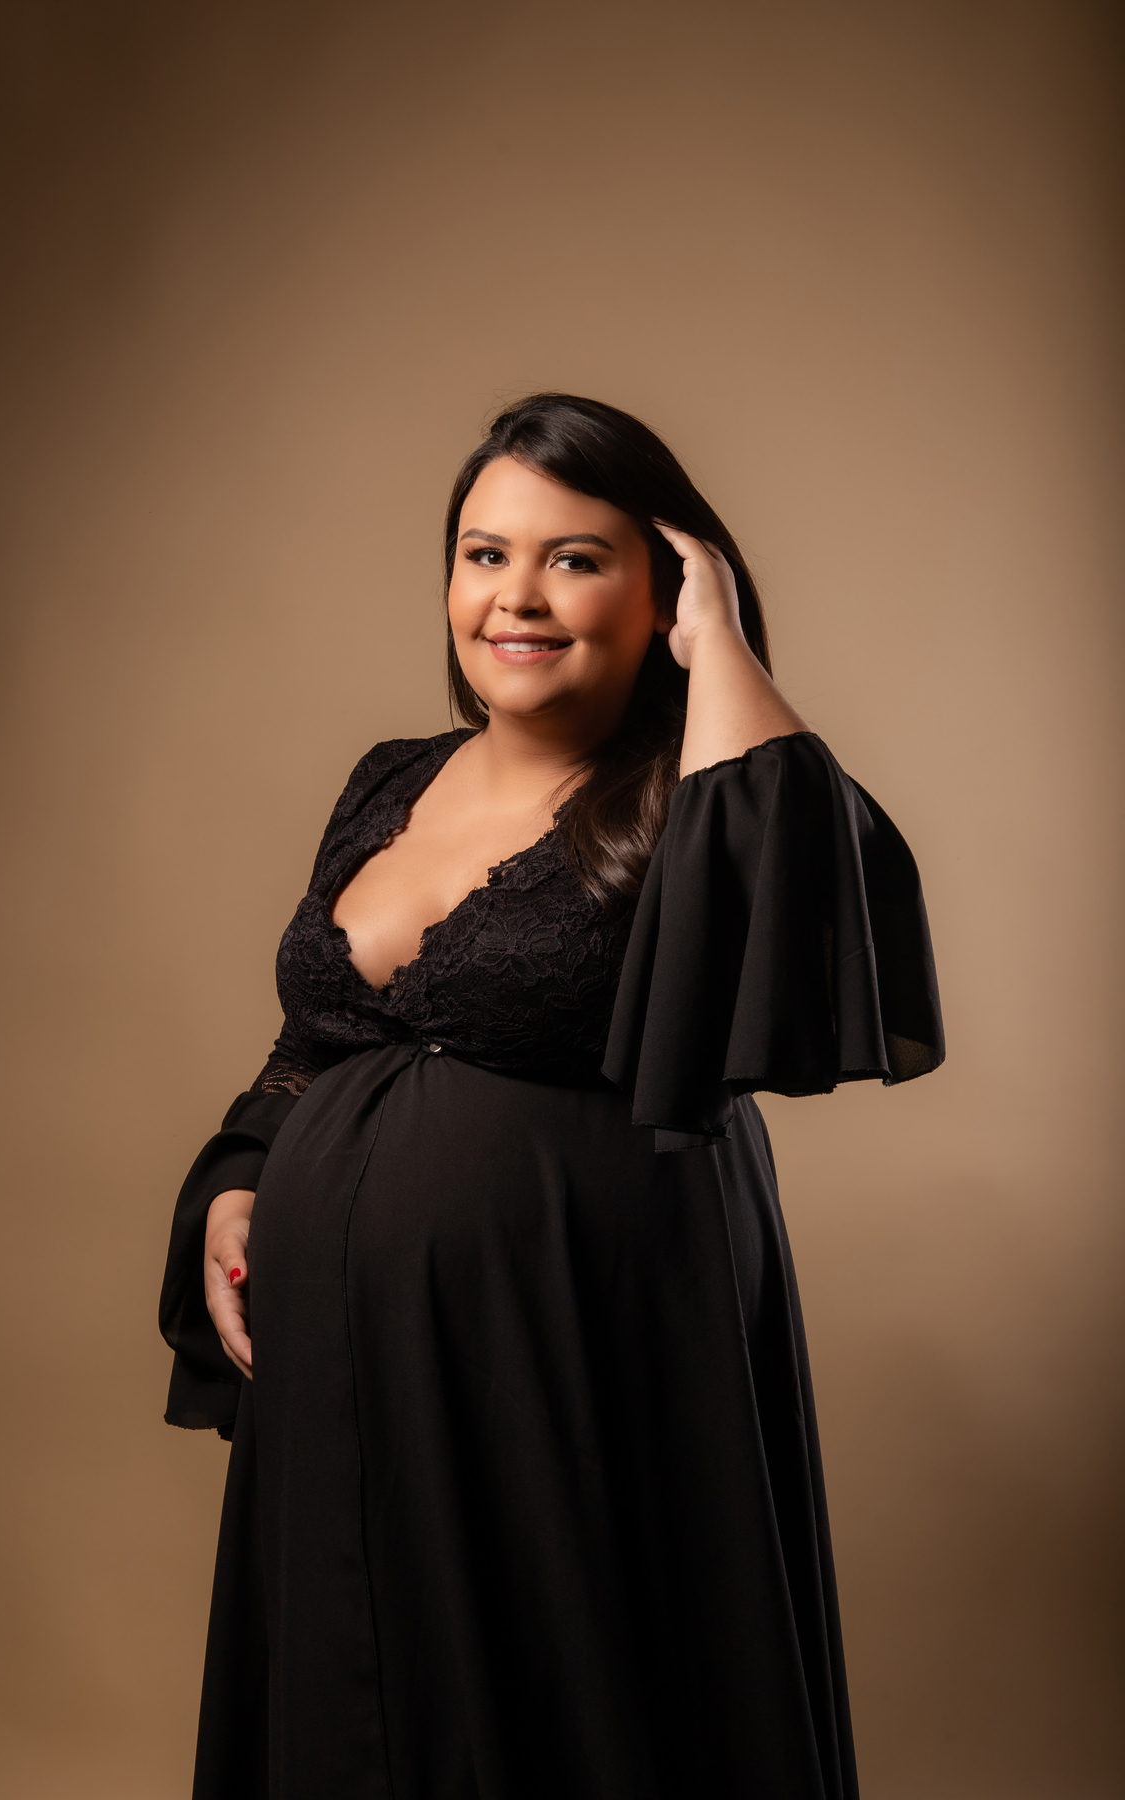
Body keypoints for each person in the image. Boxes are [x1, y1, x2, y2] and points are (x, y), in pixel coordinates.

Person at [159, 393, 943, 1800]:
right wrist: (240, 1176)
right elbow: (316, 1040)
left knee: (572, 1710)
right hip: (348, 1367)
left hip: (575, 1353)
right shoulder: (388, 781)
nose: (515, 597)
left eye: (575, 559)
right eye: (484, 555)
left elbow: (806, 908)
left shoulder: (691, 795)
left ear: (662, 591)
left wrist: (722, 646)